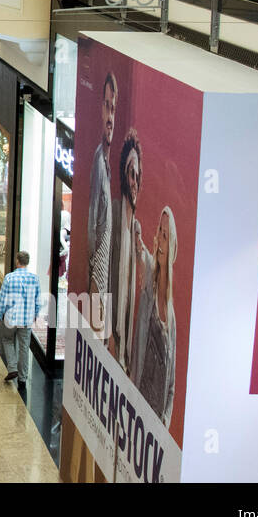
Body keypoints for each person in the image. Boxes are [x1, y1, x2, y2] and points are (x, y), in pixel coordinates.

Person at [129, 207, 178, 426]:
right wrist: (137, 235)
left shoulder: (171, 318)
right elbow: (141, 251)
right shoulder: (150, 283)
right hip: (137, 410)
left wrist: (165, 420)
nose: (159, 239)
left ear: (172, 246)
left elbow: (171, 384)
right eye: (159, 230)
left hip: (157, 424)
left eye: (165, 236)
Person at [109, 129, 143, 373]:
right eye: (131, 174)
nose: (134, 182)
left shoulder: (136, 231)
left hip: (126, 357)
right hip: (109, 341)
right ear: (124, 175)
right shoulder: (113, 213)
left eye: (138, 176)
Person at [87, 73, 117, 340]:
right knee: (97, 322)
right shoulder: (99, 159)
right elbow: (93, 219)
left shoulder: (108, 162)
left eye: (114, 108)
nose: (110, 116)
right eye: (107, 106)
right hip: (98, 260)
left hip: (104, 261)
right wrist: (93, 261)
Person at [0, 250, 41, 393]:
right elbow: (38, 301)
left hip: (10, 319)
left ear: (17, 261)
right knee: (24, 347)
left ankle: (12, 368)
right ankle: (22, 379)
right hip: (26, 320)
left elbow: (2, 299)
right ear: (28, 262)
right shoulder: (35, 279)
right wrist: (35, 315)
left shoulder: (9, 278)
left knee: (7, 340)